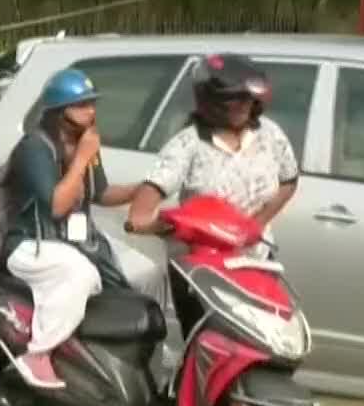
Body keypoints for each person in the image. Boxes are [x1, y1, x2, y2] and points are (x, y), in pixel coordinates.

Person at [0, 69, 142, 390]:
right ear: (60, 111)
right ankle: (38, 354)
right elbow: (56, 206)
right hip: (29, 244)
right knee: (80, 274)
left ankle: (104, 358)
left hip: (72, 242)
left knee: (140, 276)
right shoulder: (35, 147)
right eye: (80, 105)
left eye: (92, 104)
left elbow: (101, 192)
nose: (90, 112)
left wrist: (143, 189)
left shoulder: (83, 144)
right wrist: (81, 159)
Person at [124, 54, 300, 273]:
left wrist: (257, 223)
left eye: (247, 99)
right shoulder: (187, 145)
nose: (242, 106)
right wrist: (186, 227)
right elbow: (137, 218)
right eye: (232, 100)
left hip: (256, 262)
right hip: (200, 272)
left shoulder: (270, 135)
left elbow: (289, 182)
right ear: (210, 102)